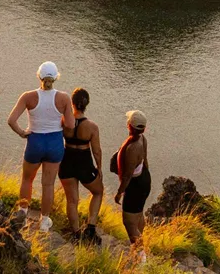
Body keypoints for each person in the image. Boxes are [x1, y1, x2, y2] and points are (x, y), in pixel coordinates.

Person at [6, 61, 75, 223]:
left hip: (35, 140)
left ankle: (22, 213)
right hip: (55, 142)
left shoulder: (28, 97)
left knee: (27, 179)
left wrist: (23, 133)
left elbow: (11, 120)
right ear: (56, 77)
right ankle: (44, 220)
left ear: (39, 76)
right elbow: (71, 125)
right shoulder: (64, 98)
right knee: (48, 184)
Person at [58, 88, 105, 242]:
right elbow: (96, 151)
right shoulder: (91, 126)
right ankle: (90, 227)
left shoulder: (63, 121)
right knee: (98, 191)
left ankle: (76, 234)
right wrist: (99, 168)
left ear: (72, 103)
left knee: (72, 200)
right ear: (86, 104)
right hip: (84, 162)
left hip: (67, 160)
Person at [113, 110, 152, 245]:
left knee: (129, 222)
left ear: (129, 126)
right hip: (144, 178)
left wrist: (119, 192)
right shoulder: (142, 139)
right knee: (138, 213)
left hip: (135, 185)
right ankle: (140, 243)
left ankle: (141, 257)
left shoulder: (132, 148)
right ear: (143, 128)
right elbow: (145, 160)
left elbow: (127, 176)